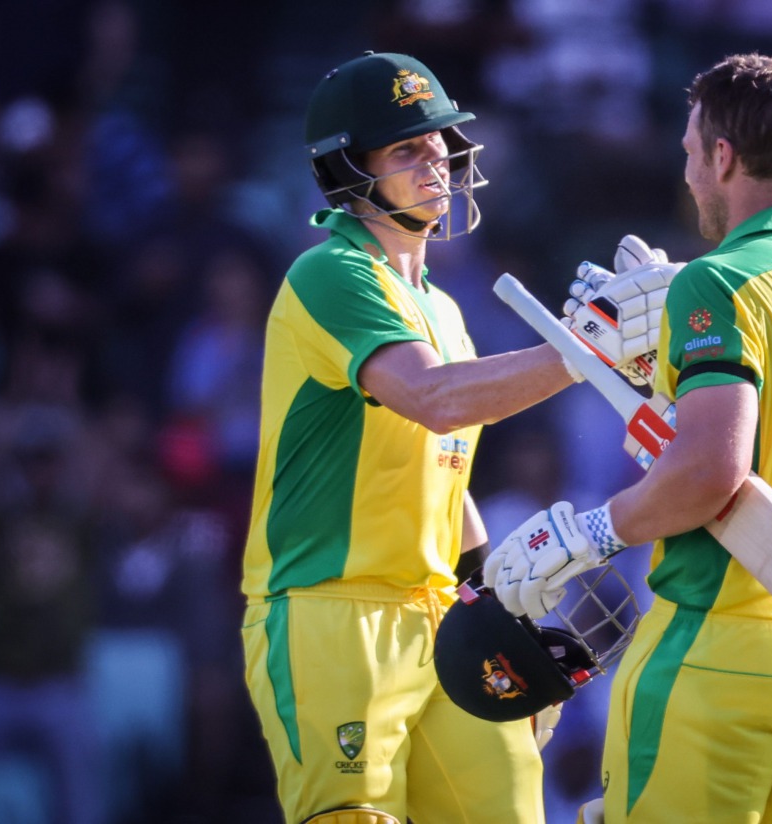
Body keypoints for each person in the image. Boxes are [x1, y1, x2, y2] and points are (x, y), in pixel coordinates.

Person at [239, 51, 673, 824]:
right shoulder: (330, 272)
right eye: (407, 148)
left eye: (440, 142)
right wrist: (588, 349)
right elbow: (433, 401)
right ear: (350, 170)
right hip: (332, 613)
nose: (437, 160)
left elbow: (446, 474)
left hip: (440, 613)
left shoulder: (440, 306)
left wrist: (497, 612)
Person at [484, 53, 772, 823]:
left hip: (718, 649)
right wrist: (663, 386)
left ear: (724, 156)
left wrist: (592, 532)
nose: (689, 174)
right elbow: (769, 442)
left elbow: (712, 469)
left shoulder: (717, 282)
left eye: (690, 154)